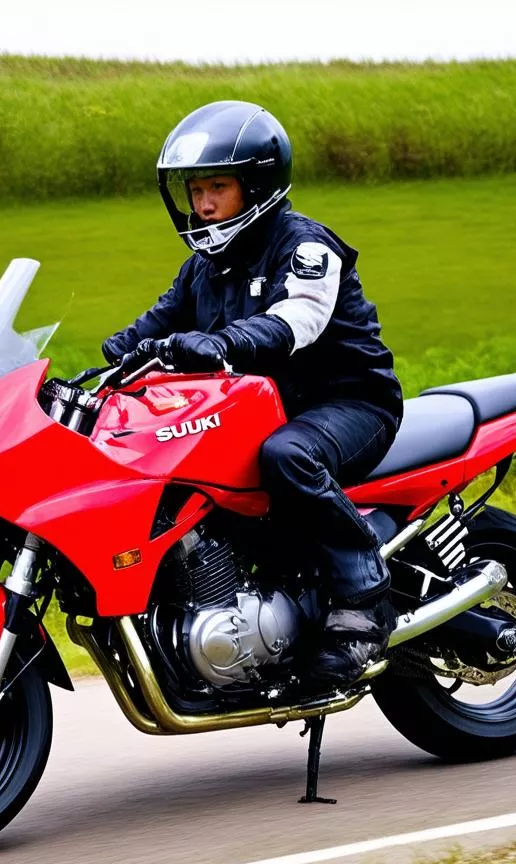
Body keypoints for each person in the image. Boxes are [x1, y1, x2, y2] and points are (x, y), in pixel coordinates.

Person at [102, 100, 404, 686]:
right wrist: (87, 372)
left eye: (218, 186)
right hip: (265, 412)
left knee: (287, 457)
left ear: (257, 184)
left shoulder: (306, 246)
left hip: (347, 403)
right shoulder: (203, 266)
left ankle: (363, 601)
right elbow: (147, 330)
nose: (204, 203)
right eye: (195, 189)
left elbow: (297, 321)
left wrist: (219, 346)